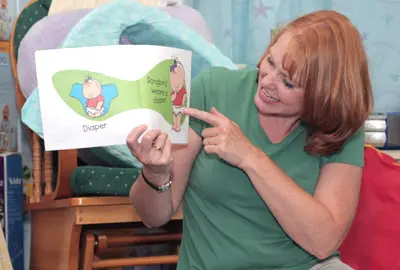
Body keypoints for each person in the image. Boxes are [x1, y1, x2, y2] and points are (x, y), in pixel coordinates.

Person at [126, 10, 373, 270]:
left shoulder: (341, 127)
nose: (267, 82)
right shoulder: (213, 91)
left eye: (288, 83)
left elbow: (324, 242)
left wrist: (250, 157)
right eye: (270, 61)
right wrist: (155, 174)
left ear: (323, 96)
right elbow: (153, 216)